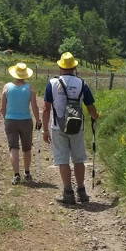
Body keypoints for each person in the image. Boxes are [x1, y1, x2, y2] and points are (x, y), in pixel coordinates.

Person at [42, 52, 99, 204]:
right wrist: (95, 117)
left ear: (60, 67)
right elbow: (91, 108)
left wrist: (45, 130)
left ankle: (68, 193)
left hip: (57, 127)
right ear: (74, 67)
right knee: (79, 159)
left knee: (63, 160)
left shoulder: (52, 83)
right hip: (77, 126)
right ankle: (82, 191)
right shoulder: (82, 83)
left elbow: (46, 108)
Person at [0, 62, 42, 185]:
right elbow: (34, 106)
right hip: (26, 120)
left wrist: (6, 119)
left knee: (13, 148)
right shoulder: (30, 88)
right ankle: (27, 173)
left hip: (10, 120)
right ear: (25, 74)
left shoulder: (6, 87)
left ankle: (16, 175)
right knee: (27, 148)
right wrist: (38, 120)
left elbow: (3, 108)